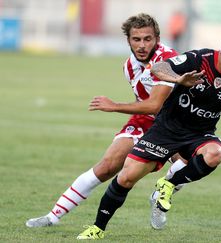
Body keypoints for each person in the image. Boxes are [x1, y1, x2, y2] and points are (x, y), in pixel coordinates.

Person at [76, 28, 221, 240]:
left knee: (215, 153)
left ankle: (168, 185)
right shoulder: (199, 59)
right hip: (165, 130)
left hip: (200, 135)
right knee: (126, 177)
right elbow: (159, 67)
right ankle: (97, 228)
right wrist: (179, 79)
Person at [25, 13, 187, 228]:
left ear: (157, 39)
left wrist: (114, 106)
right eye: (136, 39)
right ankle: (52, 217)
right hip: (147, 121)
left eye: (147, 39)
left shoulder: (166, 60)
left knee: (187, 164)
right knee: (106, 166)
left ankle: (160, 197)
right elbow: (146, 105)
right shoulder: (128, 66)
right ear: (128, 40)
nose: (141, 45)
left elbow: (155, 104)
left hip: (178, 124)